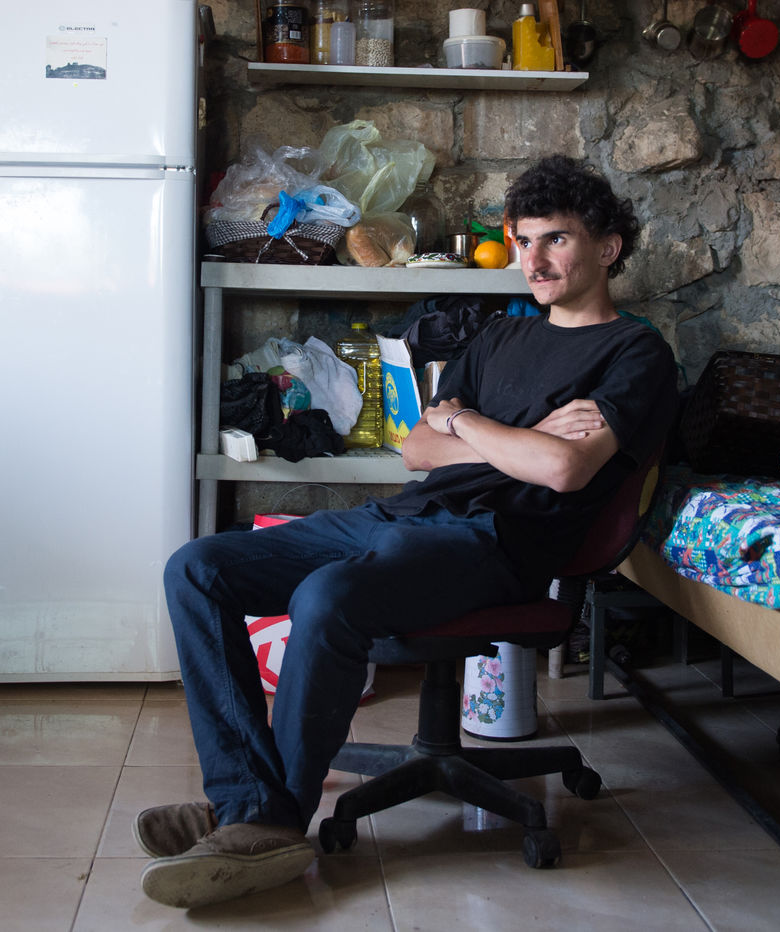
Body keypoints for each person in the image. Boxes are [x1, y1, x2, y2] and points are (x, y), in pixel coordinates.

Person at [137, 155, 680, 910]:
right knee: (197, 569)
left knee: (329, 597)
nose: (534, 260)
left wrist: (470, 424)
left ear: (609, 247)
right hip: (404, 516)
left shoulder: (636, 353)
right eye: (524, 241)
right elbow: (418, 448)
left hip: (498, 543)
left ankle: (268, 825)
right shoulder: (499, 337)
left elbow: (561, 470)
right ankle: (245, 803)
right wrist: (501, 435)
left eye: (556, 239)